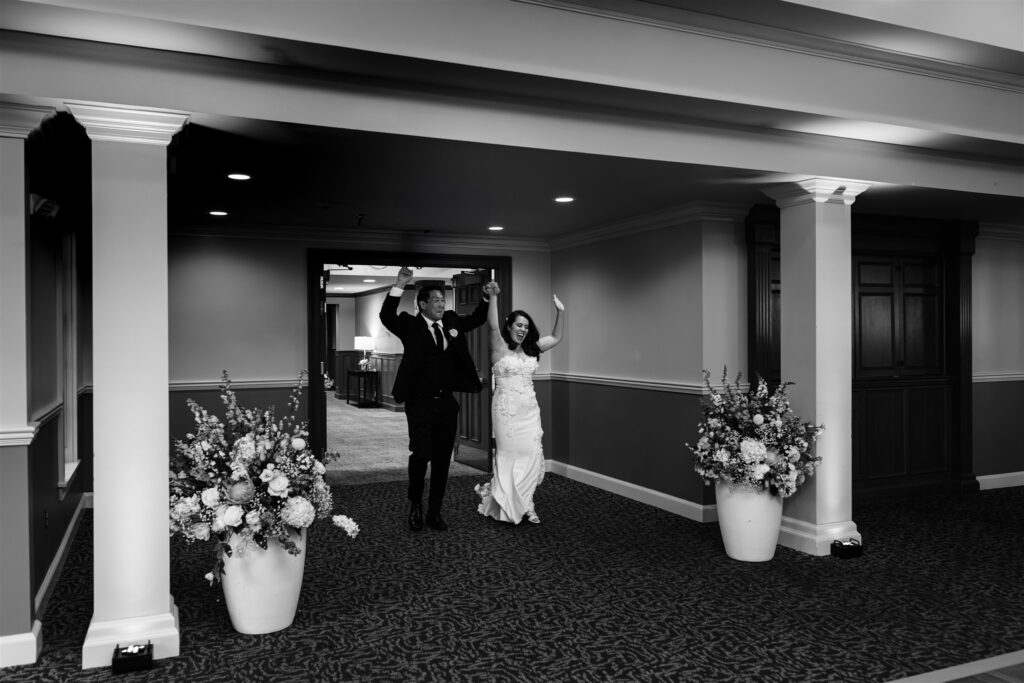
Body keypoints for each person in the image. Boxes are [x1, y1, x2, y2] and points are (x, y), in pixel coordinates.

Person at [379, 267, 499, 532]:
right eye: (436, 300)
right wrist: (399, 284)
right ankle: (415, 506)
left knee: (443, 459)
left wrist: (487, 297)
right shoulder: (410, 325)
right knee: (421, 455)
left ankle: (435, 511)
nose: (442, 304)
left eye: (444, 301)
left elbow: (478, 318)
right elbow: (386, 316)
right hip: (420, 403)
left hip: (446, 404)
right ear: (422, 304)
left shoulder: (452, 322)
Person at [475, 292, 564, 524]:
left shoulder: (533, 348)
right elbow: (493, 326)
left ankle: (527, 502)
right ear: (510, 326)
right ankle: (508, 502)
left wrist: (560, 312)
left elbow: (556, 337)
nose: (523, 329)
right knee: (509, 455)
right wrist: (493, 297)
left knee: (531, 456)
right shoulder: (499, 347)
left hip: (529, 412)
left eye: (526, 326)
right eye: (519, 325)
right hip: (506, 413)